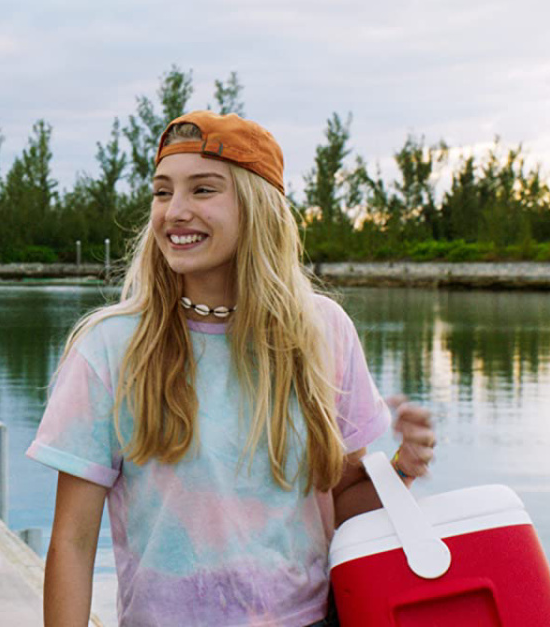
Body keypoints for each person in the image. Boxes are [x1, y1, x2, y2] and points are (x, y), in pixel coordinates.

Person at [27, 111, 436, 626]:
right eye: (161, 191)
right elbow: (72, 539)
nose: (175, 211)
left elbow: (336, 509)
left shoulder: (323, 330)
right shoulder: (109, 347)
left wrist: (399, 468)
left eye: (202, 190)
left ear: (257, 206)